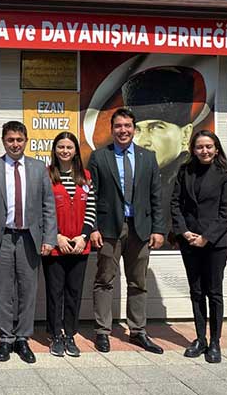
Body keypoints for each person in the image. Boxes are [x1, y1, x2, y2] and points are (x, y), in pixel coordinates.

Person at [88, 108, 166, 354]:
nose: (123, 130)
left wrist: (158, 229)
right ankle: (102, 331)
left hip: (140, 228)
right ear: (112, 129)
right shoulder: (99, 157)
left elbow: (156, 196)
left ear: (134, 128)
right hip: (109, 228)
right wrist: (93, 227)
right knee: (104, 280)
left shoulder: (148, 157)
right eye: (118, 126)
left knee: (138, 282)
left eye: (127, 126)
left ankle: (138, 331)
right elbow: (92, 195)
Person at [0, 121, 57, 364]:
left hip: (29, 238)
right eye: (10, 140)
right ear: (4, 141)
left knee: (27, 289)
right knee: (3, 290)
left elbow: (48, 205)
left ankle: (23, 338)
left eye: (19, 140)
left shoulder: (38, 168)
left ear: (26, 141)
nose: (15, 144)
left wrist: (49, 238)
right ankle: (5, 338)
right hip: (2, 237)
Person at [171, 130, 227, 364]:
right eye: (199, 147)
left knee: (214, 292)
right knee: (196, 291)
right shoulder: (185, 171)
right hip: (189, 241)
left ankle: (215, 342)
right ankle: (200, 339)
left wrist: (206, 238)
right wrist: (183, 231)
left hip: (214, 244)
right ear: (193, 149)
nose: (204, 151)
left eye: (208, 146)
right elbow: (175, 203)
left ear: (216, 149)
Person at [122, 67, 196, 244]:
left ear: (185, 134)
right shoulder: (124, 171)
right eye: (137, 129)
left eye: (156, 127)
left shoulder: (192, 176)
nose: (144, 142)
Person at [43, 132, 95, 358]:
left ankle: (70, 334)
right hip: (56, 245)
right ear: (55, 150)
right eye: (61, 147)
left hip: (79, 245)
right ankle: (55, 335)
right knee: (55, 292)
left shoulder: (86, 176)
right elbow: (43, 210)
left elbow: (91, 208)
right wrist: (56, 236)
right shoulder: (46, 176)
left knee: (74, 292)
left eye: (69, 147)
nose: (65, 151)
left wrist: (84, 236)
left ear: (76, 151)